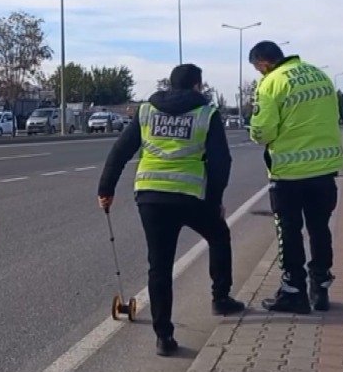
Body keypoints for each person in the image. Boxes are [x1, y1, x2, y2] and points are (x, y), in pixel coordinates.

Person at [98, 64, 245, 357]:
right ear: (197, 86)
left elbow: (120, 152)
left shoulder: (146, 111)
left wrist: (106, 190)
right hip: (191, 197)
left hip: (151, 198)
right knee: (218, 236)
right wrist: (215, 200)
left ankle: (164, 337)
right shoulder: (207, 113)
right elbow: (221, 162)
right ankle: (220, 298)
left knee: (160, 265)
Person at [249, 41, 343, 313]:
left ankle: (294, 292)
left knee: (289, 231)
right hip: (325, 169)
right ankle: (321, 286)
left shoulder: (271, 82)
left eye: (258, 69)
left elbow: (263, 131)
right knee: (319, 228)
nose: (259, 74)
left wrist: (255, 132)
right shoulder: (319, 75)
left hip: (289, 173)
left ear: (263, 63)